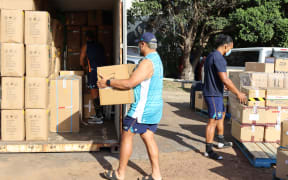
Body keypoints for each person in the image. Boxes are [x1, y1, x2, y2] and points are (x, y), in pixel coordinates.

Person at [98, 32, 163, 180]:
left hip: (142, 109)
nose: (138, 47)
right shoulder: (157, 59)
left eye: (139, 44)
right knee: (148, 136)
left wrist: (108, 82)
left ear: (143, 44)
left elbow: (130, 83)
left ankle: (120, 173)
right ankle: (156, 175)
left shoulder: (147, 62)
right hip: (154, 108)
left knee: (127, 135)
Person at [203, 34, 246, 160]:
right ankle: (208, 150)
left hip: (215, 92)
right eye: (230, 48)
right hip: (213, 94)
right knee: (212, 121)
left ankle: (221, 140)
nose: (230, 51)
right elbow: (225, 79)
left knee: (221, 114)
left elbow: (215, 76)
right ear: (226, 46)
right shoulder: (219, 58)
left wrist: (223, 85)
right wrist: (238, 93)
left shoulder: (211, 55)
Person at [80, 31, 106, 125]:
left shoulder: (86, 46)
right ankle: (100, 114)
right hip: (103, 71)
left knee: (94, 92)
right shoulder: (100, 45)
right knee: (101, 92)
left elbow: (81, 59)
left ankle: (99, 116)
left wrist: (83, 66)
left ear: (86, 38)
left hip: (93, 71)